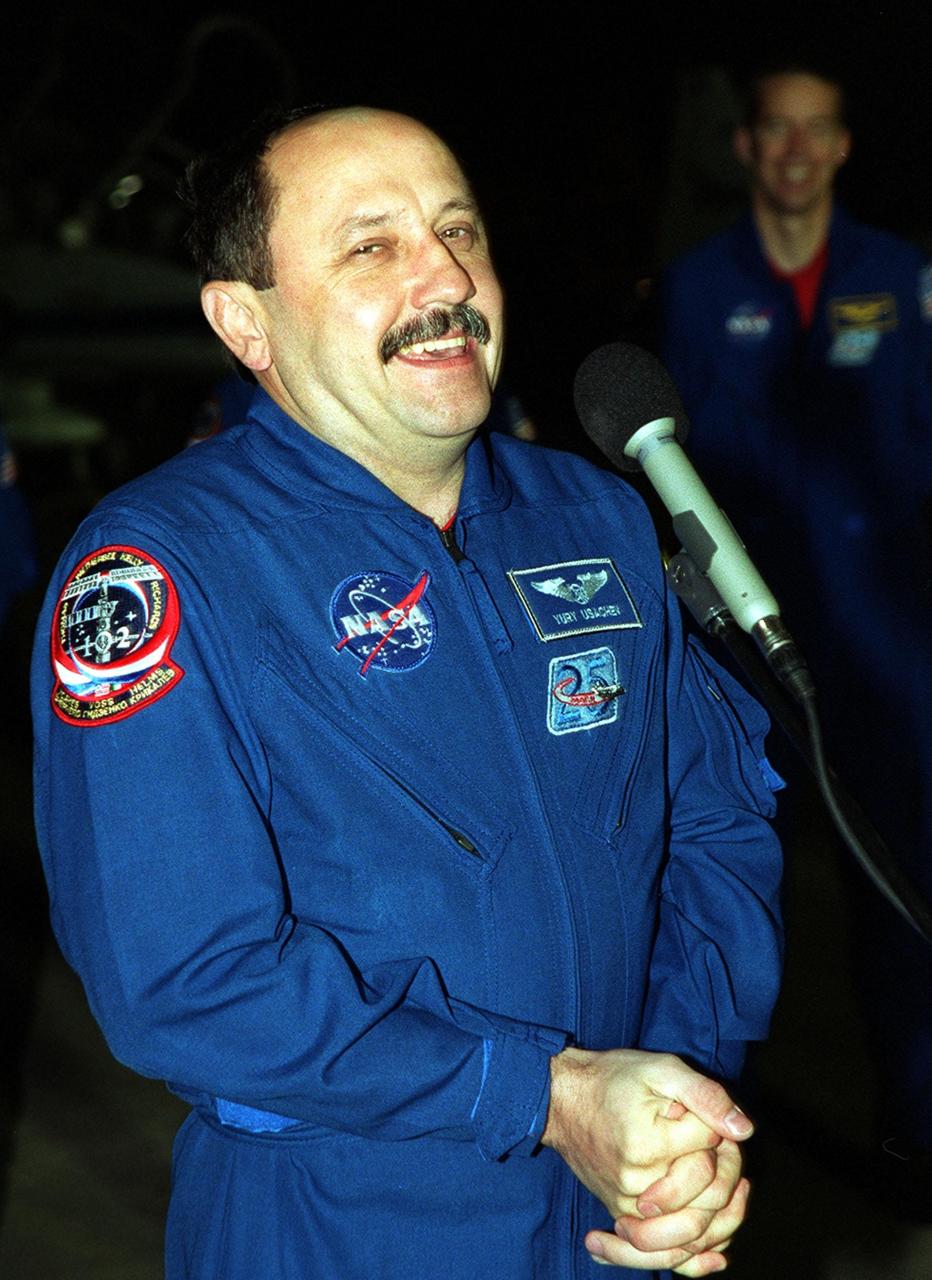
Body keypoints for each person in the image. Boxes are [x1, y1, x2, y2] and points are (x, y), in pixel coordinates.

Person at [31, 105, 784, 1278]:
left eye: (457, 230)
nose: (443, 275)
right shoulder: (159, 572)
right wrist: (536, 1094)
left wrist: (675, 1113)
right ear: (245, 323)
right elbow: (183, 978)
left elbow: (716, 822)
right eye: (370, 246)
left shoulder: (592, 516)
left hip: (611, 1208)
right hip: (342, 1216)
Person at [660, 65, 932, 1198]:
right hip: (742, 647)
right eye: (774, 130)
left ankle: (916, 1134)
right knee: (727, 884)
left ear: (838, 149)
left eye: (814, 132)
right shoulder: (694, 284)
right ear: (746, 147)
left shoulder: (899, 276)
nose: (792, 151)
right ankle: (717, 1132)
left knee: (899, 893)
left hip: (884, 642)